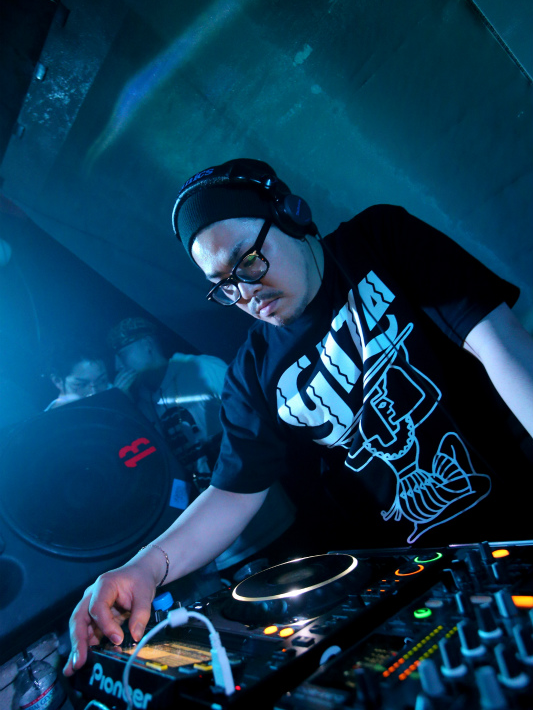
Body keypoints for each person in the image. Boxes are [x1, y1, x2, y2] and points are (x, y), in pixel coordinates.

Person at [64, 158, 533, 675]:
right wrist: (145, 568)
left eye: (248, 261)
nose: (246, 292)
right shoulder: (252, 370)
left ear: (291, 215)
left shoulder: (380, 240)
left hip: (520, 518)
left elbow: (500, 346)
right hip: (418, 574)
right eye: (224, 285)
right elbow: (233, 493)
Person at [106, 315, 296, 571]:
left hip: (267, 517)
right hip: (221, 543)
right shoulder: (139, 401)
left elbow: (260, 419)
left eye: (122, 353)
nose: (117, 364)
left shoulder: (203, 368)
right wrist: (122, 403)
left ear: (147, 345)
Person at [44, 340, 113, 411]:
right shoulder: (49, 417)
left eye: (102, 381)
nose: (94, 393)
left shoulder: (114, 395)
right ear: (58, 381)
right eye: (82, 385)